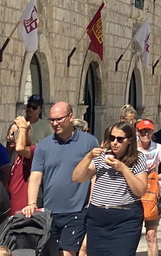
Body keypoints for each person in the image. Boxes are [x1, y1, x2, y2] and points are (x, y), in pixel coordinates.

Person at [23, 102, 100, 256]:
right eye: (51, 120)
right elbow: (36, 176)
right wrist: (31, 203)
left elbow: (95, 176)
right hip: (50, 211)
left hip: (77, 210)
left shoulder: (89, 142)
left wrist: (91, 203)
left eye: (59, 119)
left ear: (71, 117)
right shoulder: (44, 146)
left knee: (68, 252)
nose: (54, 123)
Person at [73, 122, 147, 256]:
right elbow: (77, 177)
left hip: (124, 219)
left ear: (129, 140)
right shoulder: (102, 157)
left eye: (120, 139)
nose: (115, 143)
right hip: (98, 218)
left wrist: (123, 169)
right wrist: (88, 156)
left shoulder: (138, 158)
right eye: (112, 138)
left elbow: (140, 190)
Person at [135, 120, 161, 256]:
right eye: (142, 131)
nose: (146, 133)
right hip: (133, 196)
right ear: (137, 132)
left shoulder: (158, 148)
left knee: (151, 234)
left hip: (152, 196)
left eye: (148, 131)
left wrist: (153, 177)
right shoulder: (132, 149)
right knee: (131, 236)